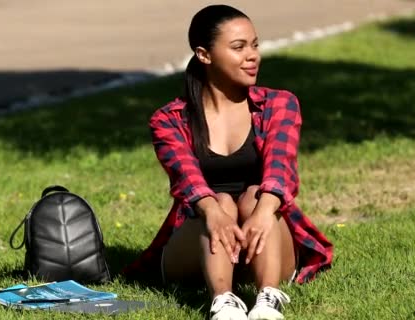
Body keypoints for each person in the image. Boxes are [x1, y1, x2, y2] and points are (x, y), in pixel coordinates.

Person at [123, 4, 333, 320]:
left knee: (254, 196)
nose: (253, 56)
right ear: (204, 55)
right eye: (238, 47)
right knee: (219, 202)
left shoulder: (279, 104)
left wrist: (263, 212)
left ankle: (267, 298)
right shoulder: (169, 120)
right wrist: (213, 213)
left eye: (255, 45)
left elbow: (281, 168)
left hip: (264, 241)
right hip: (200, 243)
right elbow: (188, 181)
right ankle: (223, 302)